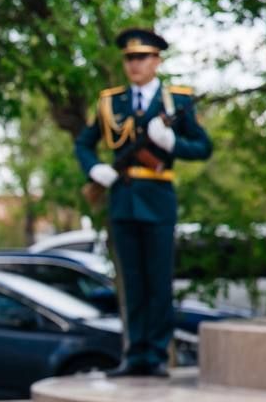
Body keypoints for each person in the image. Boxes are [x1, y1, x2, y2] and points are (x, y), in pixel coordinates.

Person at [75, 27, 213, 377]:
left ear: (156, 61)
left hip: (158, 199)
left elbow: (203, 147)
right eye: (129, 58)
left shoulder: (175, 101)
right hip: (122, 198)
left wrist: (171, 144)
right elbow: (84, 143)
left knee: (158, 281)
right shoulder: (111, 102)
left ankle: (156, 355)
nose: (135, 65)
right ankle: (134, 354)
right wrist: (95, 170)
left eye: (142, 57)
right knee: (132, 282)